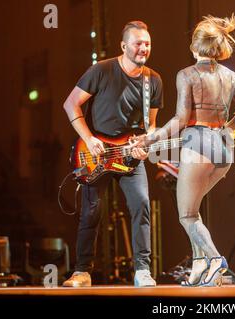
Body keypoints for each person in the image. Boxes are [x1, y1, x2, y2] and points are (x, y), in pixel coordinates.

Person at [135, 14, 235, 287]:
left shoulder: (186, 75)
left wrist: (151, 140)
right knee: (194, 211)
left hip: (197, 147)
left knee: (187, 215)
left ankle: (215, 260)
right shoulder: (230, 76)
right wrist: (230, 126)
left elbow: (180, 119)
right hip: (224, 152)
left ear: (194, 47)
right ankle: (200, 268)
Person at [62, 20, 163, 287]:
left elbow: (152, 123)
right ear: (124, 45)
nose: (144, 48)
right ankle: (82, 271)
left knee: (141, 205)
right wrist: (89, 138)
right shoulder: (101, 70)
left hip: (131, 156)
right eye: (138, 43)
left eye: (148, 44)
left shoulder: (153, 80)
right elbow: (71, 104)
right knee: (91, 211)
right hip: (97, 154)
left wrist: (147, 143)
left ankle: (142, 270)